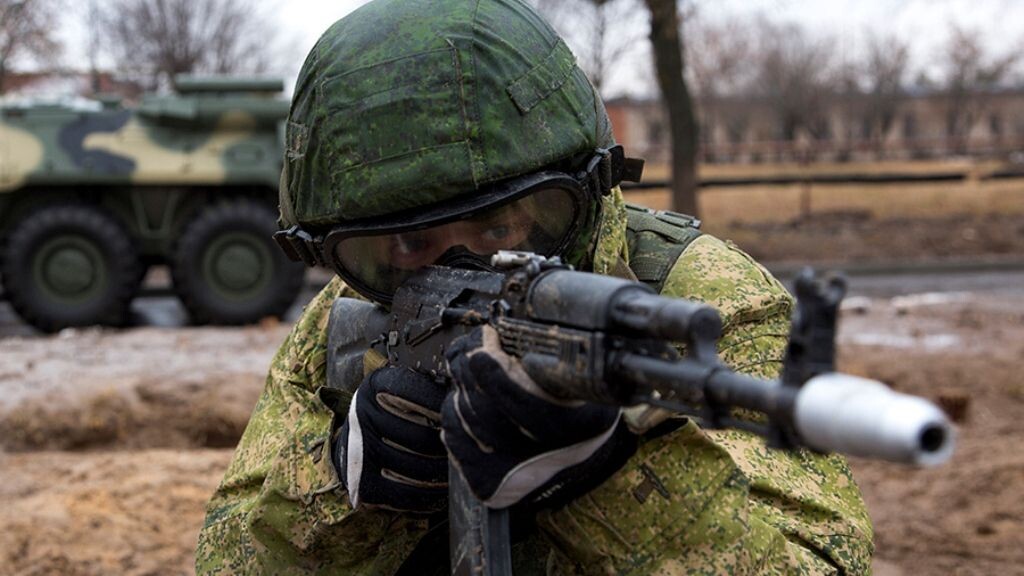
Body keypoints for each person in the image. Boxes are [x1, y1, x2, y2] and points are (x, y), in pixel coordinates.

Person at [196, 0, 873, 573]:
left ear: (585, 186)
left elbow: (822, 563)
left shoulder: (700, 298)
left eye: (499, 227)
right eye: (408, 245)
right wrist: (341, 487)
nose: (464, 270)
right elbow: (226, 560)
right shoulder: (343, 320)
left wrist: (606, 473)